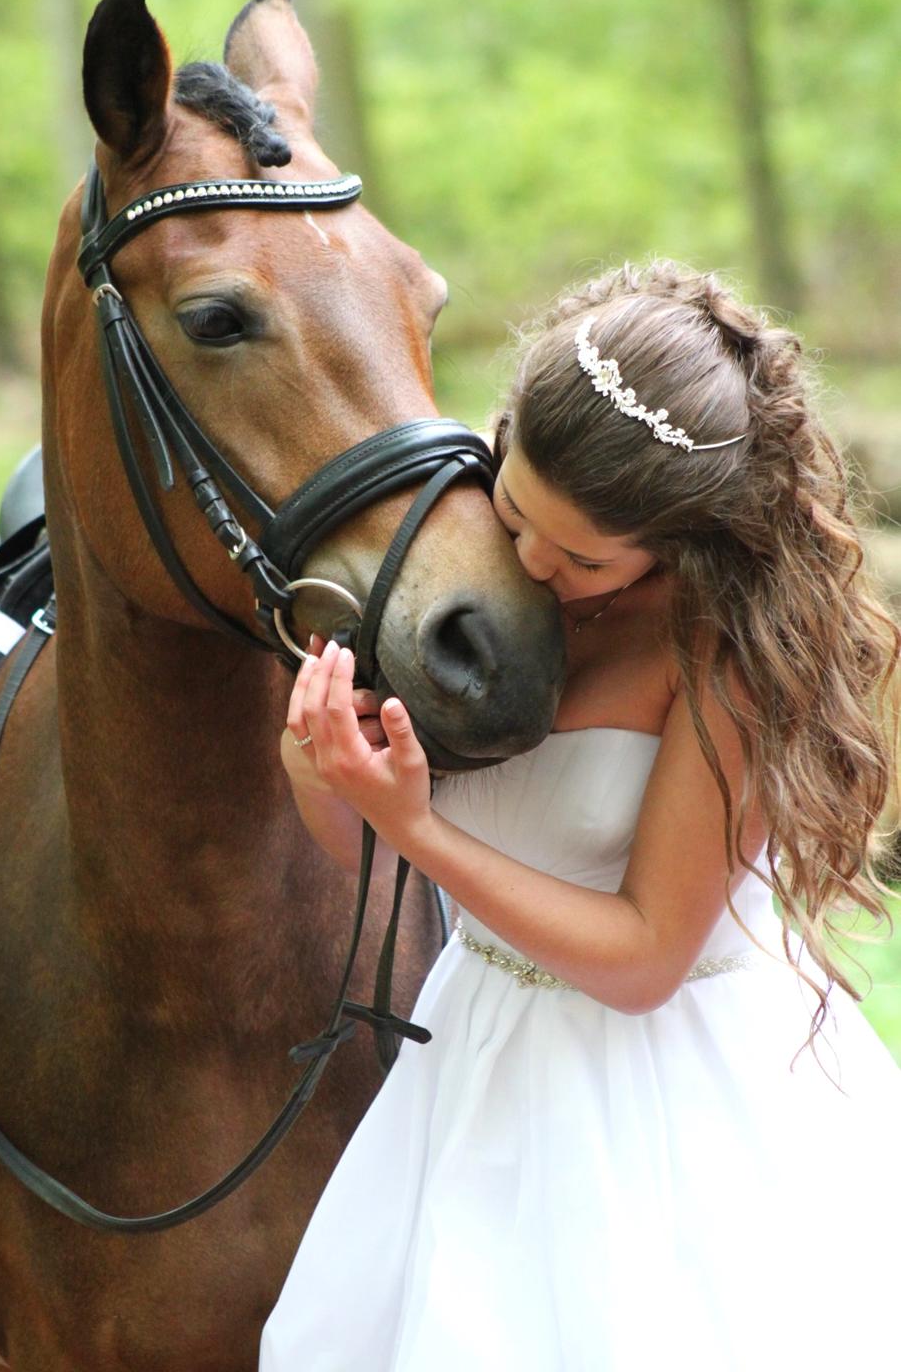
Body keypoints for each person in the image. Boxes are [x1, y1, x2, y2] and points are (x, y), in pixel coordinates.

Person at [258, 261, 901, 1372]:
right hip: (481, 1053)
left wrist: (417, 829)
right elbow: (369, 846)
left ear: (683, 538)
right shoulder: (479, 588)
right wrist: (329, 777)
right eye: (514, 510)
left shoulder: (719, 652)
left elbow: (647, 954)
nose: (531, 564)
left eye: (585, 556)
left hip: (666, 1097)